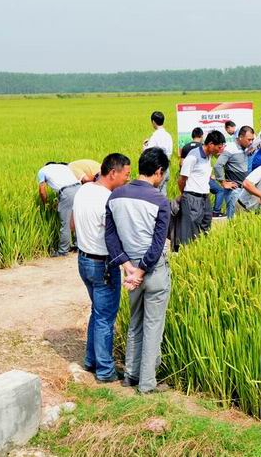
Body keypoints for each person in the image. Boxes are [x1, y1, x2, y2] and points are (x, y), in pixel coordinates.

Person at [105, 147, 171, 393]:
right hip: (152, 270)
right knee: (153, 326)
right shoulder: (160, 200)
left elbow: (110, 236)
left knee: (135, 321)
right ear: (159, 171)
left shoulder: (115, 196)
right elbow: (157, 243)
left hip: (129, 269)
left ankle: (130, 375)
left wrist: (128, 267)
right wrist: (141, 271)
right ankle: (147, 384)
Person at [72, 153, 131, 383]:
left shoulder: (83, 190)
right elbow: (114, 236)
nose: (128, 179)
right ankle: (105, 371)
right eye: (126, 174)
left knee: (97, 312)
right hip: (103, 265)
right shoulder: (108, 200)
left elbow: (72, 224)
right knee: (105, 317)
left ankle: (91, 360)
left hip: (83, 260)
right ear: (113, 173)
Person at [177, 130, 226, 245]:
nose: (220, 150)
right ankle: (188, 251)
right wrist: (185, 195)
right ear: (211, 144)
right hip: (192, 197)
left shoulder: (208, 156)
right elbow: (182, 180)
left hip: (205, 197)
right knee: (191, 229)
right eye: (219, 147)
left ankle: (203, 248)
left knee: (206, 224)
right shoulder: (193, 157)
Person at [38, 162, 80, 257]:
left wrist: (45, 203)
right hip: (80, 188)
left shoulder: (42, 171)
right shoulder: (63, 167)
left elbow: (42, 190)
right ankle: (78, 246)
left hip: (67, 192)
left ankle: (63, 251)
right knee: (77, 219)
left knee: (66, 223)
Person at [213, 125, 255, 218]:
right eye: (249, 139)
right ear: (240, 137)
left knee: (243, 218)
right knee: (233, 219)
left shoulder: (245, 148)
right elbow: (218, 166)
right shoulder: (230, 149)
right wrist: (223, 182)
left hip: (243, 189)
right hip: (234, 191)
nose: (251, 142)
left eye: (252, 139)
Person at [142, 111, 174, 194]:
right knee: (163, 195)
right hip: (166, 169)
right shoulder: (168, 135)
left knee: (154, 195)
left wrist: (144, 146)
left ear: (153, 122)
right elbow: (170, 152)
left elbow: (148, 154)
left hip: (157, 171)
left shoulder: (155, 136)